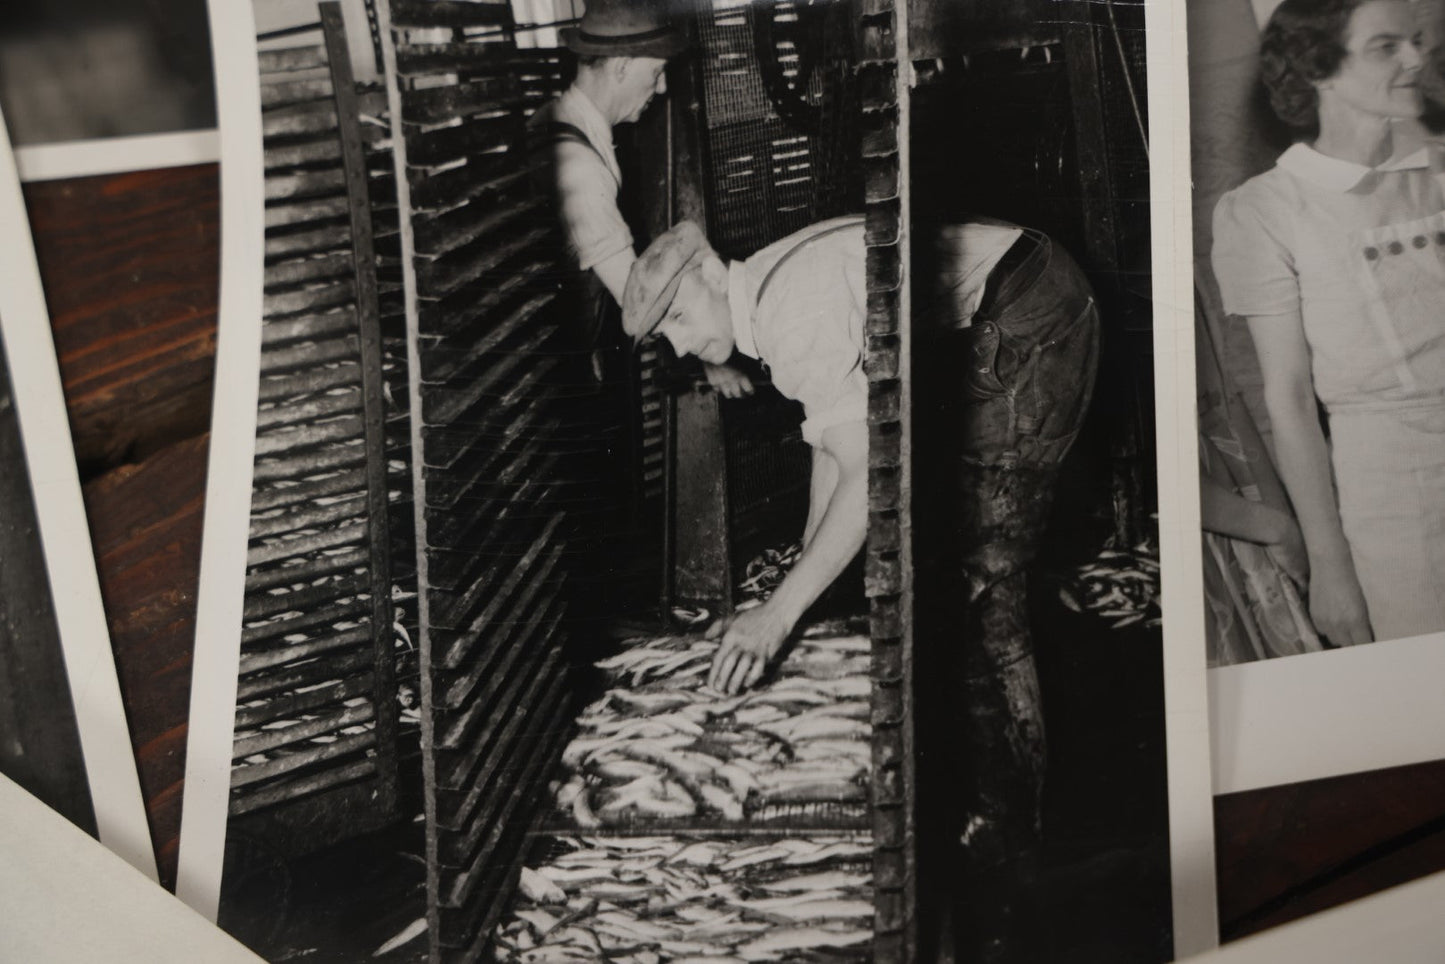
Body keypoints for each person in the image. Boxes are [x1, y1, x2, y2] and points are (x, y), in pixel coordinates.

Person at [620, 213, 1100, 954]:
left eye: (680, 314)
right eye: (667, 336)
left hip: (1031, 310)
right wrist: (795, 581)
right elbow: (839, 449)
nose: (682, 344)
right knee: (959, 568)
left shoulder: (790, 311)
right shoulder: (768, 294)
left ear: (713, 273)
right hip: (1026, 282)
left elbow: (875, 482)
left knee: (981, 584)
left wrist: (778, 617)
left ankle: (1009, 849)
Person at [1213, 0, 1445, 645]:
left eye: (1416, 41)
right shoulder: (1266, 210)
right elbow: (1288, 399)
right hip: (1397, 497)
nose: (1416, 59)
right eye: (1386, 46)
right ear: (1319, 69)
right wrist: (1332, 569)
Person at [529, 0, 754, 398]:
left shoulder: (564, 122)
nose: (662, 86)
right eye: (656, 72)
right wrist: (711, 358)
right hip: (551, 371)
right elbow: (637, 298)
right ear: (621, 67)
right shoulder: (579, 167)